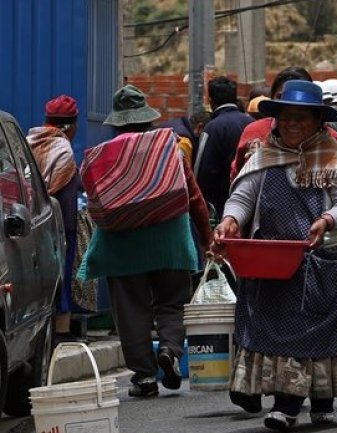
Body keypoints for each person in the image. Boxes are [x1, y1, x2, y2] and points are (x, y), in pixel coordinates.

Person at [212, 80, 337, 431]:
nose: (292, 124)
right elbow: (244, 196)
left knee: (323, 331)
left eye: (302, 118)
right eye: (286, 117)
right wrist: (231, 221)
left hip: (324, 261)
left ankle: (322, 399)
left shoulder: (335, 158)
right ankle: (287, 403)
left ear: (318, 122)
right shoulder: (264, 155)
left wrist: (326, 220)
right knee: (283, 330)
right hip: (274, 264)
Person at [77, 85, 213, 398]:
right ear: (147, 118)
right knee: (173, 301)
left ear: (117, 122)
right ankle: (170, 350)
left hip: (121, 246)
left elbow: (94, 203)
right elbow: (194, 197)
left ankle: (144, 377)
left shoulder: (105, 155)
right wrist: (206, 238)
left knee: (131, 310)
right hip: (170, 240)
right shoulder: (171, 148)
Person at [26, 94, 82, 344]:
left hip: (28, 221)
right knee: (62, 274)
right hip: (59, 225)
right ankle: (61, 330)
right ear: (70, 125)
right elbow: (63, 192)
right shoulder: (63, 149)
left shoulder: (27, 142)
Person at [230, 67, 337, 182]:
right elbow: (238, 179)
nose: (292, 123)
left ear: (317, 116)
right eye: (281, 97)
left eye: (301, 116)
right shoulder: (254, 132)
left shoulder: (332, 141)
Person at [195, 76, 254, 220]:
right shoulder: (251, 123)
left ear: (211, 102)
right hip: (251, 200)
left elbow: (202, 170)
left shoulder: (212, 128)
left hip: (223, 206)